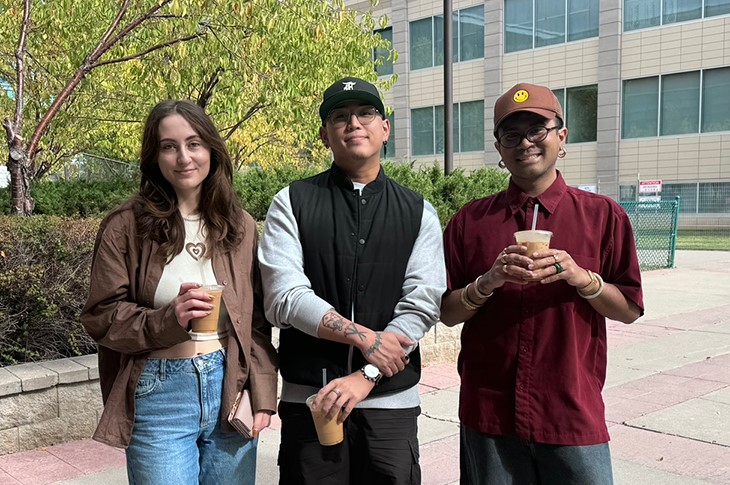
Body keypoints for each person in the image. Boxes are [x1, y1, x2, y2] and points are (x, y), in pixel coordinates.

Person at [440, 83, 644, 485]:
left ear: (561, 136)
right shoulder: (472, 221)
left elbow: (630, 309)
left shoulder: (603, 217)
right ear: (499, 148)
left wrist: (583, 279)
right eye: (511, 135)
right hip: (490, 415)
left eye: (537, 130)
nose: (525, 143)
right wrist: (487, 281)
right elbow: (447, 313)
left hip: (570, 412)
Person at [258, 77, 446, 485]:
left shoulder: (418, 211)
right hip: (313, 399)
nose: (354, 123)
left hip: (389, 403)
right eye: (340, 116)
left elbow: (423, 302)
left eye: (365, 113)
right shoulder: (291, 202)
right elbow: (283, 298)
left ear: (385, 128)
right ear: (325, 135)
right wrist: (364, 338)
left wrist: (367, 376)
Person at [81, 100, 278, 485]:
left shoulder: (241, 228)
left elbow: (255, 323)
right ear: (154, 157)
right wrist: (167, 319)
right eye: (169, 146)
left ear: (211, 150)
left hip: (229, 386)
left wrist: (263, 395)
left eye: (194, 143)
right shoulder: (126, 227)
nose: (183, 157)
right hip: (158, 392)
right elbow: (100, 316)